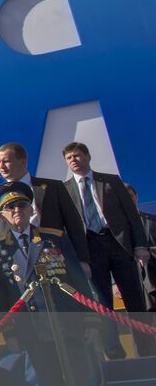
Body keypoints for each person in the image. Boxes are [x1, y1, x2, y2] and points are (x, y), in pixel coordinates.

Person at [0, 181, 107, 386]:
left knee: (83, 384)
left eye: (21, 205)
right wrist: (9, 330)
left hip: (67, 323)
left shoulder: (53, 238)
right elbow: (1, 294)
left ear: (31, 209)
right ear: (2, 215)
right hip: (32, 329)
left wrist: (90, 320)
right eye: (10, 208)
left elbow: (78, 279)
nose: (17, 211)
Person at [63, 140, 154, 356]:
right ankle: (114, 352)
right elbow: (67, 225)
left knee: (135, 301)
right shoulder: (64, 190)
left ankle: (147, 350)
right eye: (69, 158)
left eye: (77, 155)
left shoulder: (111, 181)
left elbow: (132, 215)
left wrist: (140, 245)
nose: (74, 160)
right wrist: (80, 259)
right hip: (91, 250)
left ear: (87, 157)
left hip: (118, 245)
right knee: (103, 304)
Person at [0, 142, 89, 266]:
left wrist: (82, 260)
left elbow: (73, 224)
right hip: (18, 264)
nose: (1, 166)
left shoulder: (53, 187)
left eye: (6, 161)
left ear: (22, 161)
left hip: (56, 257)